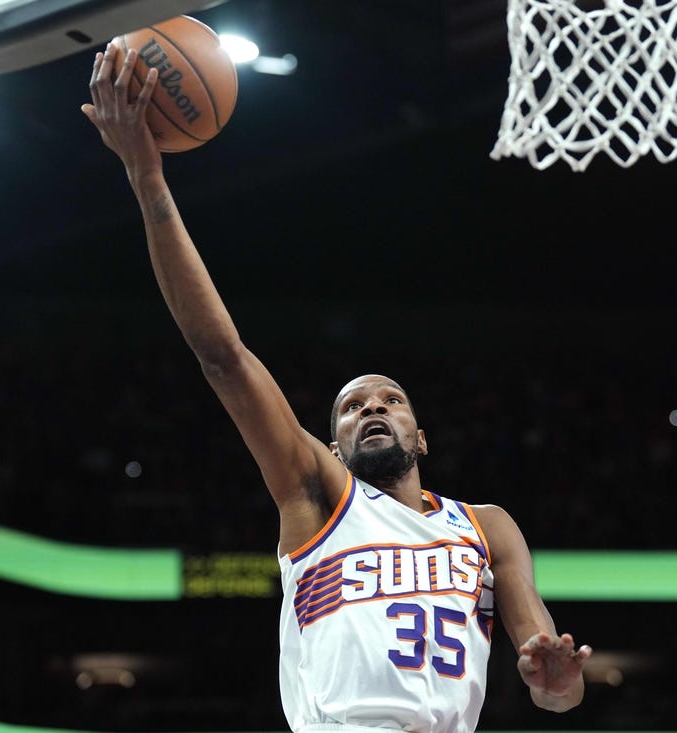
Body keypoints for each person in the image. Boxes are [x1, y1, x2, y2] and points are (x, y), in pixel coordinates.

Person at [81, 41, 591, 733]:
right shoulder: (317, 493)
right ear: (333, 442)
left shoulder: (486, 525)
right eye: (352, 406)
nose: (373, 407)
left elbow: (551, 684)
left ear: (421, 435)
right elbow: (222, 356)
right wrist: (148, 179)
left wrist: (556, 681)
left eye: (390, 400)